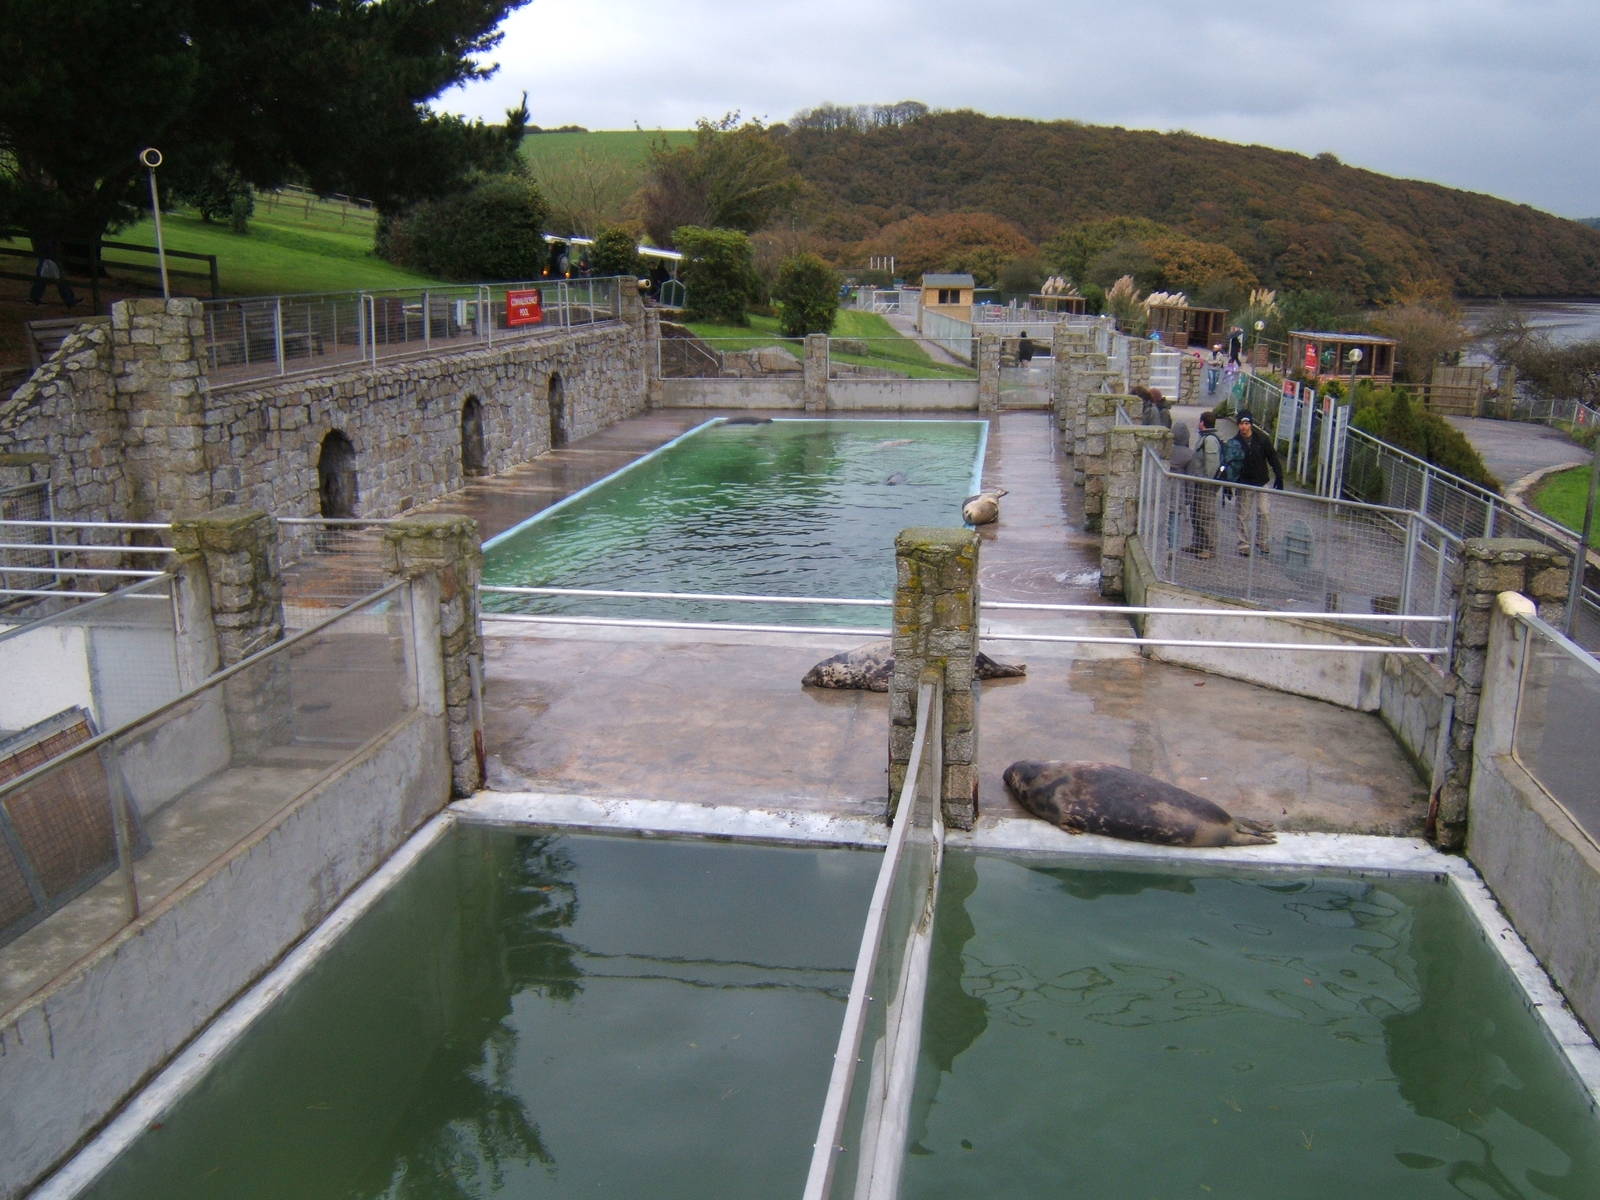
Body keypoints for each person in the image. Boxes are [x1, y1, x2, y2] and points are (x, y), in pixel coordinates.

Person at [1226, 410, 1284, 557]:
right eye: (1241, 424)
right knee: (1243, 515)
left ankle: (1262, 541)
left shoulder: (1262, 439)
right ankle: (1243, 544)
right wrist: (1227, 484)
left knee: (1264, 512)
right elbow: (1228, 463)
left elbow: (1272, 457)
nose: (1244, 427)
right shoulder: (1235, 442)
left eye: (1246, 423)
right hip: (1244, 483)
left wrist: (1279, 475)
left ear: (1251, 424)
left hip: (1261, 481)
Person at [1187, 410, 1225, 558]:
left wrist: (1209, 482)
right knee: (1196, 513)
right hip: (1199, 483)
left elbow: (1212, 464)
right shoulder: (1204, 438)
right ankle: (1198, 543)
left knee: (1206, 515)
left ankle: (1209, 547)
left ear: (1202, 422)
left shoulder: (1209, 440)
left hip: (1206, 485)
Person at [29, 239, 77, 307]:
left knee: (44, 275)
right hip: (49, 253)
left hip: (47, 252)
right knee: (58, 276)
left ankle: (69, 299)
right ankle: (69, 299)